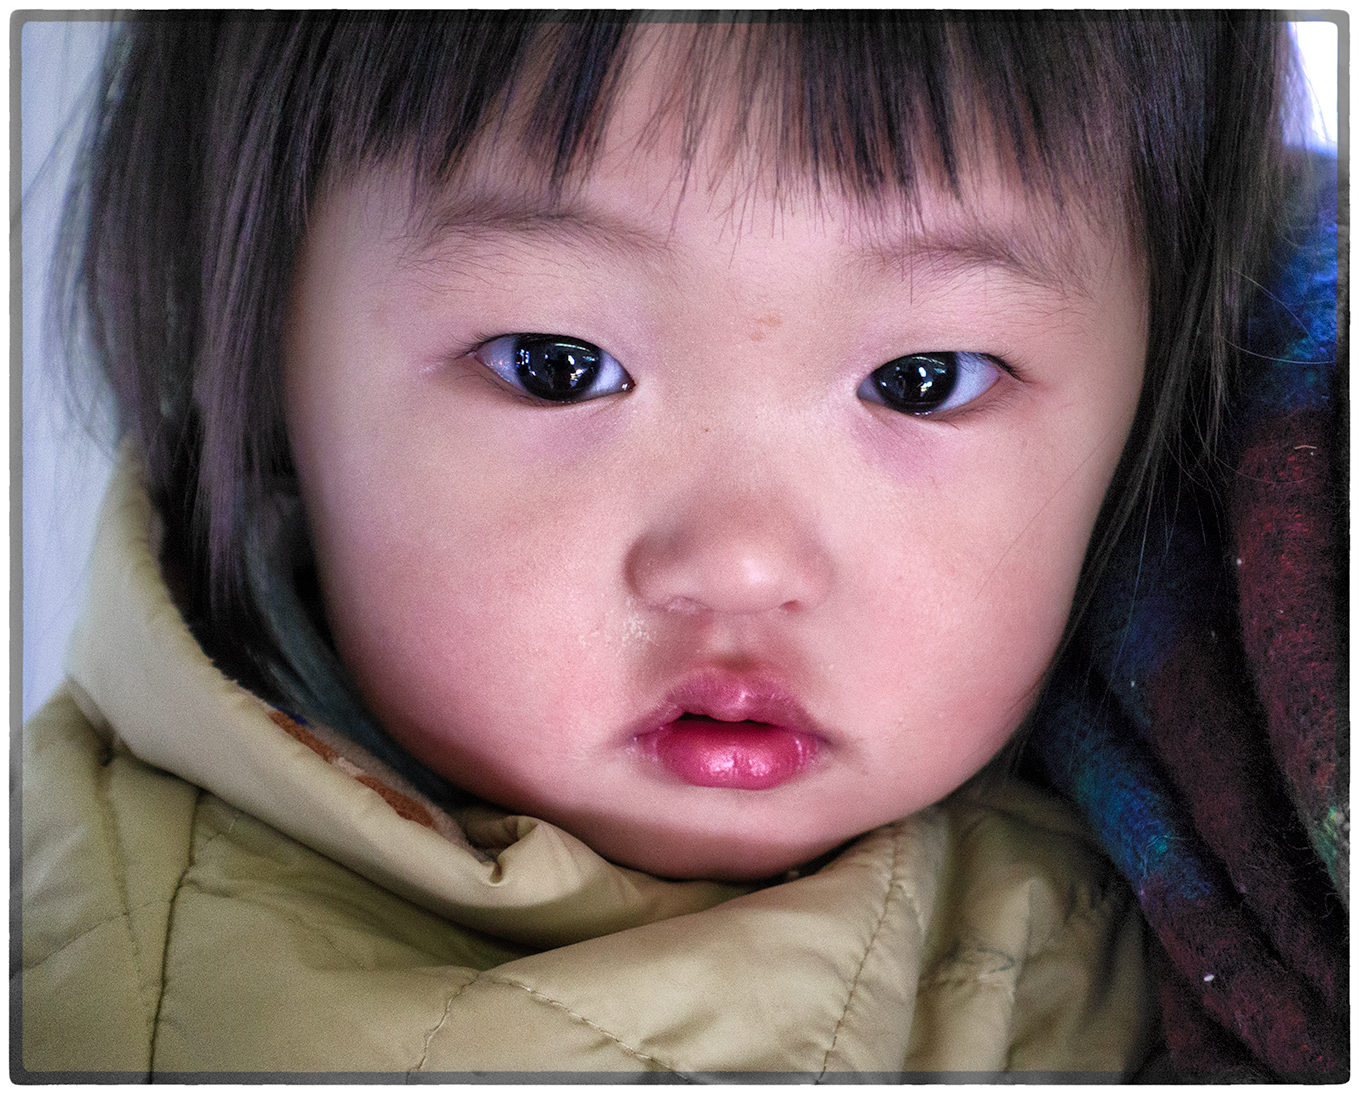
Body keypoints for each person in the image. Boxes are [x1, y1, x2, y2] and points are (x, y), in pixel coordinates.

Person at [19, 12, 1343, 1079]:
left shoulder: (1210, 865)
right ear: (266, 368)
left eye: (925, 377)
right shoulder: (80, 1000)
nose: (743, 563)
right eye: (557, 365)